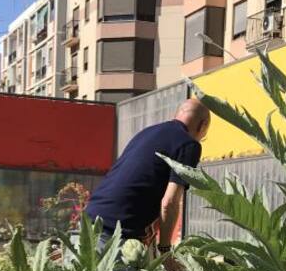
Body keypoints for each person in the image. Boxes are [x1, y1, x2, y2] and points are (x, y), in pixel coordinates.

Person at [83, 99, 210, 255]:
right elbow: (169, 203)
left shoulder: (147, 132)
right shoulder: (189, 144)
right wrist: (164, 250)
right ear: (202, 126)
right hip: (116, 236)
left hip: (88, 223)